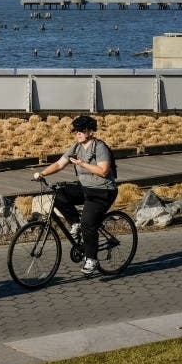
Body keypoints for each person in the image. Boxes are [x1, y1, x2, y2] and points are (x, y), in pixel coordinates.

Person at [32, 115, 118, 276]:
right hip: (86, 188)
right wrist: (42, 173)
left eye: (81, 130)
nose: (78, 133)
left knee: (88, 222)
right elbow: (59, 164)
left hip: (103, 191)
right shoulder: (76, 147)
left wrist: (81, 163)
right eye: (76, 130)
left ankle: (92, 259)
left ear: (90, 131)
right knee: (58, 195)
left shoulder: (99, 147)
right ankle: (74, 223)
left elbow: (104, 171)